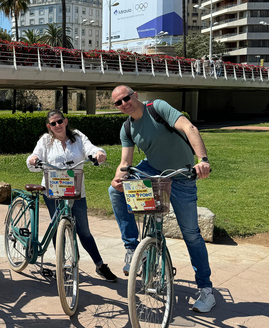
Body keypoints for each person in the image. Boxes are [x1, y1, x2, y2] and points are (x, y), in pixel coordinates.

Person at [108, 85, 214, 313]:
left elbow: (189, 127)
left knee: (191, 234)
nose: (124, 103)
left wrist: (202, 159)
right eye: (118, 102)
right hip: (153, 171)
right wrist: (118, 177)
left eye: (126, 98)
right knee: (114, 190)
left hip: (183, 174)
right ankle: (132, 247)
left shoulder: (156, 108)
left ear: (135, 95)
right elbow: (125, 163)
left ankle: (206, 289)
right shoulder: (127, 128)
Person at [26, 110, 117, 282]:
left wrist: (98, 154)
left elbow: (91, 149)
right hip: (53, 190)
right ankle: (61, 264)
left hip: (76, 192)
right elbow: (34, 155)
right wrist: (33, 159)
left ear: (66, 121)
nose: (57, 126)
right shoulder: (45, 140)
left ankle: (100, 265)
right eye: (53, 123)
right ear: (49, 126)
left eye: (60, 121)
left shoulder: (78, 137)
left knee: (84, 231)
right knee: (57, 227)